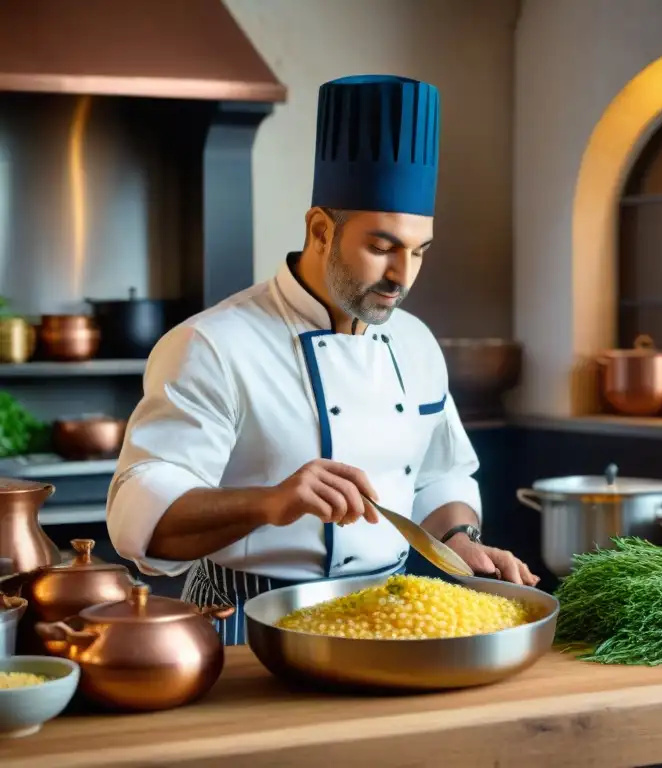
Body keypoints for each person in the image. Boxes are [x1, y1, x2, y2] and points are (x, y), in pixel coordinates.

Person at [105, 74, 538, 646]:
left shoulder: (414, 342)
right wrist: (271, 501)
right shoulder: (212, 344)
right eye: (380, 247)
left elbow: (439, 473)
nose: (400, 277)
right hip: (242, 623)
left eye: (418, 253)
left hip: (389, 619)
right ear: (319, 230)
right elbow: (140, 517)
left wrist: (459, 538)